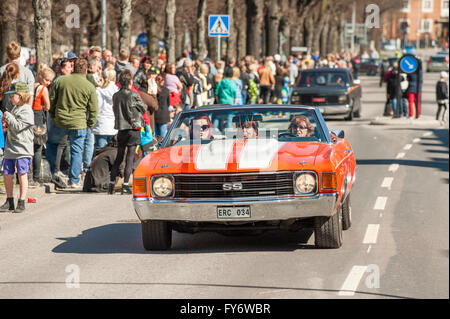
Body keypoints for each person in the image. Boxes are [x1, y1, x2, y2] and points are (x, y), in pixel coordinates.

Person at [47, 58, 99, 189]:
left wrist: (53, 115)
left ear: (73, 67)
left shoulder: (61, 81)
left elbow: (52, 100)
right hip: (79, 122)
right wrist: (90, 123)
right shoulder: (89, 86)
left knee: (53, 145)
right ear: (86, 70)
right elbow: (93, 108)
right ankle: (74, 180)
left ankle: (52, 173)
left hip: (60, 120)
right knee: (77, 151)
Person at [109, 69, 147, 195]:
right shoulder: (133, 94)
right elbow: (144, 108)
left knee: (119, 157)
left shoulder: (116, 95)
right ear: (130, 81)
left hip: (121, 128)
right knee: (130, 157)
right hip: (133, 128)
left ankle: (111, 184)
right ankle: (125, 185)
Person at [0, 82, 34, 213]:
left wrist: (7, 115)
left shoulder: (27, 110)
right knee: (7, 173)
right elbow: (12, 125)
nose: (10, 98)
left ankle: (22, 200)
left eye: (12, 95)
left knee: (21, 173)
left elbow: (19, 126)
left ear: (20, 95)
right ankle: (9, 200)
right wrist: (6, 121)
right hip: (11, 148)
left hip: (22, 149)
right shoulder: (15, 108)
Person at [30, 66, 55, 186]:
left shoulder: (31, 85)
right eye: (47, 80)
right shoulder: (43, 89)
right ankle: (36, 176)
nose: (48, 83)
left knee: (28, 146)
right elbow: (48, 106)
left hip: (29, 116)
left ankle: (27, 175)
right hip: (38, 117)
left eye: (50, 81)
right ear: (41, 77)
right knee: (38, 147)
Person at [92, 69, 119, 150]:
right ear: (114, 78)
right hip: (113, 123)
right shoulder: (117, 90)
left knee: (99, 149)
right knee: (112, 149)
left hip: (101, 123)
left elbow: (98, 107)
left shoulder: (98, 90)